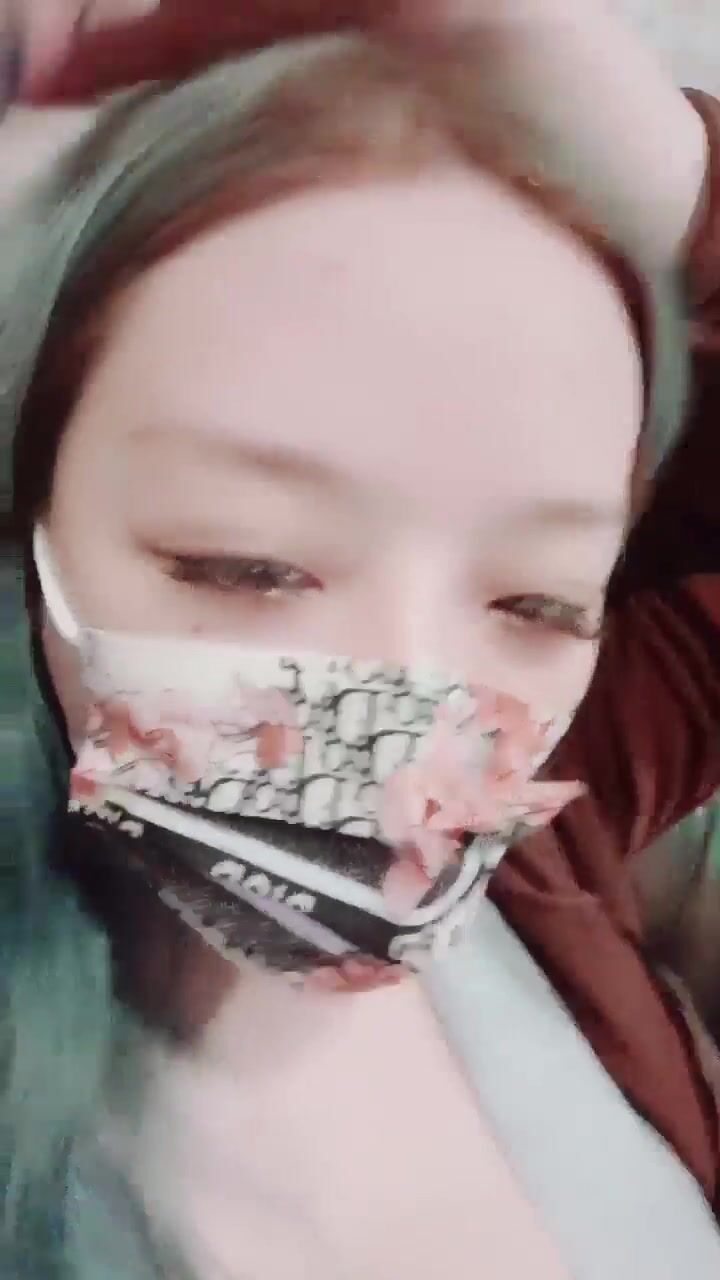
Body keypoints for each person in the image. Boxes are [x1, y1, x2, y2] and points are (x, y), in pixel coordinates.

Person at [3, 10, 720, 1280]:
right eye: (245, 563)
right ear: (34, 514)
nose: (410, 708)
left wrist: (684, 181)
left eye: (538, 601)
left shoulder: (550, 836)